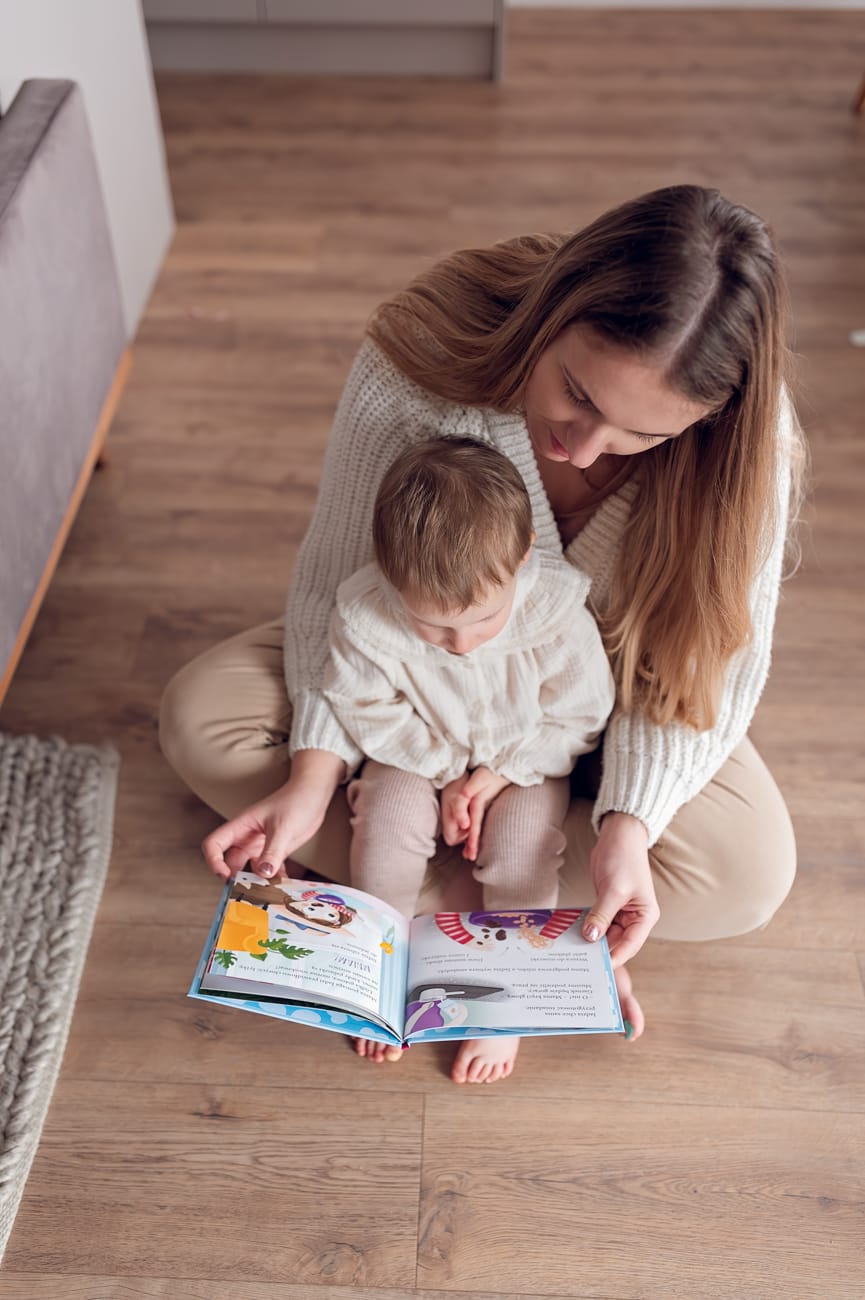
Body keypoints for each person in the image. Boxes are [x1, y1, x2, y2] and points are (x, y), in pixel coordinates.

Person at [160, 183, 804, 1085]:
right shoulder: (421, 359)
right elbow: (332, 587)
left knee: (744, 874)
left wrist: (626, 825)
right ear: (553, 309)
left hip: (603, 694)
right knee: (202, 720)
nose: (583, 449)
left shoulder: (748, 446)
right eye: (574, 395)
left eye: (639, 436)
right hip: (409, 669)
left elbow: (706, 667)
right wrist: (313, 775)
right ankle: (488, 905)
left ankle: (456, 901)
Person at [323, 436, 615, 1072]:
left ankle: (507, 997)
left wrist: (495, 775)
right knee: (387, 821)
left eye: (485, 621)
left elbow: (580, 716)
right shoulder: (365, 614)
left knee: (520, 849)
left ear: (521, 560)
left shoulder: (557, 614)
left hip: (526, 760)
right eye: (432, 628)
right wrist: (439, 770)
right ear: (387, 576)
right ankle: (385, 962)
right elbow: (365, 708)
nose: (460, 646)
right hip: (418, 748)